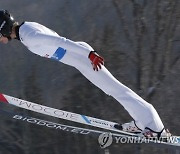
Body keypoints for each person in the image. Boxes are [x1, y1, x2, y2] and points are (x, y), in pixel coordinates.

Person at [0, 10, 171, 139]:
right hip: (80, 59)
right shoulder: (25, 29)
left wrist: (89, 54)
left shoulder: (30, 36)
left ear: (4, 28)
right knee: (113, 90)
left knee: (116, 89)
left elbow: (61, 42)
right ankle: (142, 122)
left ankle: (155, 126)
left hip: (84, 59)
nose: (0, 40)